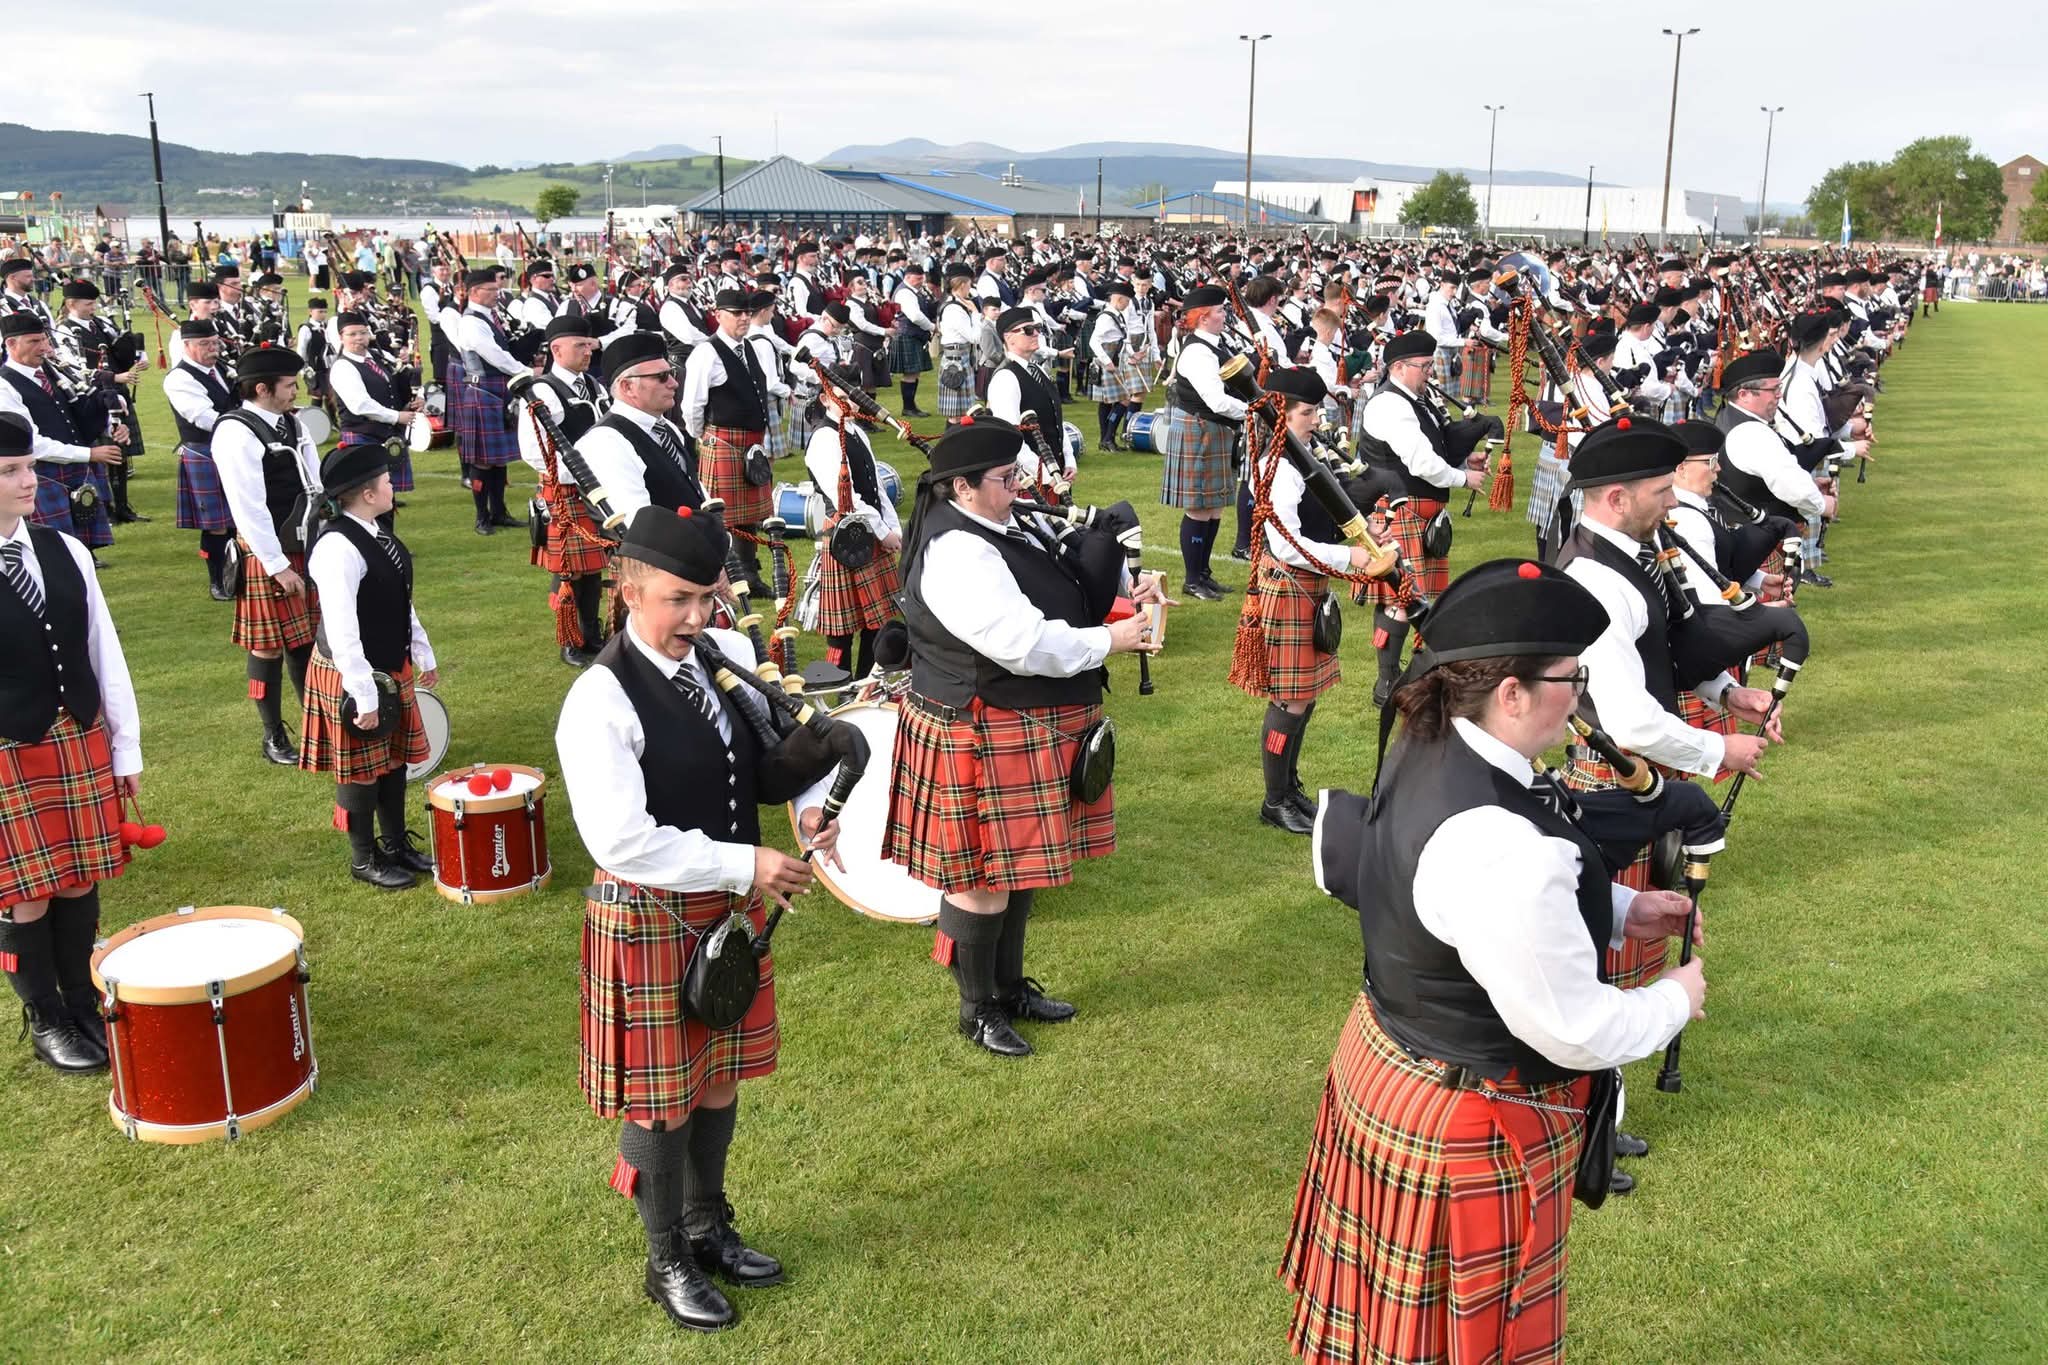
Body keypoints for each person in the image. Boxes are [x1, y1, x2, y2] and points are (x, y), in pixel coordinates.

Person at [1288, 556, 1705, 1365]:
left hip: (1388, 1065)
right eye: (1568, 676)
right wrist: (1673, 1000)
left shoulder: (1427, 735)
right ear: (1510, 693)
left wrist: (1624, 907)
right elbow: (1571, 1027)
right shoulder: (1505, 845)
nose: (1579, 693)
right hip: (1467, 1122)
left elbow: (1461, 907)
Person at [555, 503, 844, 1334]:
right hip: (651, 911)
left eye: (707, 597)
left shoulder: (720, 656)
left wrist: (807, 804)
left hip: (723, 909)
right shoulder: (598, 698)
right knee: (661, 1100)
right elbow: (620, 840)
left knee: (718, 1075)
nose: (696, 617)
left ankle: (707, 1224)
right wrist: (745, 862)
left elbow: (759, 757)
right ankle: (665, 1258)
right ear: (630, 589)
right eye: (678, 599)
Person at [883, 419, 1158, 1058]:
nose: (1018, 487)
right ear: (962, 487)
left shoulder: (1001, 524)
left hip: (1022, 720)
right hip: (982, 723)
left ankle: (1008, 989)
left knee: (1018, 867)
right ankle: (978, 1010)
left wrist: (1123, 597)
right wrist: (1108, 642)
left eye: (1016, 475)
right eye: (1005, 479)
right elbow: (1022, 643)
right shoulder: (957, 552)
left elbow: (1053, 592)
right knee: (982, 876)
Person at [0, 412, 144, 1073]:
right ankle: (45, 1015)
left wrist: (126, 746)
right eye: (11, 472)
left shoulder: (67, 549)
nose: (30, 480)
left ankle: (84, 1001)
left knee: (80, 875)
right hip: (9, 747)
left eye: (28, 467)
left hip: (78, 732)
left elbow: (103, 651)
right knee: (27, 888)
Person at [1231, 368, 1380, 834]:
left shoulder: (1294, 455)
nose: (1316, 420)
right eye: (1307, 412)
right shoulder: (1274, 466)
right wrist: (1351, 555)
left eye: (1316, 411)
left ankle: (1289, 788)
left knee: (1305, 696)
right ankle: (1274, 800)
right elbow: (1287, 545)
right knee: (1289, 699)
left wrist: (1358, 529)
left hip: (1307, 586)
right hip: (1289, 584)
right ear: (1281, 414)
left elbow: (1319, 515)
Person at [298, 443, 438, 889]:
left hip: (388, 664)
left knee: (394, 761)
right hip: (352, 670)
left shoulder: (377, 531)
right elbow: (342, 630)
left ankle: (395, 843)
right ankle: (363, 859)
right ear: (367, 493)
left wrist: (421, 651)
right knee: (361, 770)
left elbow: (398, 597)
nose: (393, 485)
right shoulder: (337, 548)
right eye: (387, 481)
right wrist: (363, 692)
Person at [1354, 329, 1487, 703]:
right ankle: (1386, 680)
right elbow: (1421, 461)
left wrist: (1462, 460)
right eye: (1424, 366)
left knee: (1415, 595)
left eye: (1430, 364)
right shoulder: (1390, 405)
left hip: (1421, 508)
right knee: (1401, 596)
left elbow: (1434, 446)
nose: (1430, 371)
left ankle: (1411, 672)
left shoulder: (1417, 397)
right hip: (1402, 507)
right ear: (1399, 367)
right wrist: (1463, 478)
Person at [212, 343, 324, 766]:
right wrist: (277, 566)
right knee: (268, 649)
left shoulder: (292, 424)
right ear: (263, 388)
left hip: (303, 544)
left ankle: (318, 726)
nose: (296, 391)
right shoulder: (236, 430)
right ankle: (273, 735)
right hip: (266, 552)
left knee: (305, 642)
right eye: (289, 385)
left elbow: (314, 485)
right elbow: (248, 507)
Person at [515, 315, 612, 666]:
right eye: (580, 345)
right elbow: (532, 449)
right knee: (569, 569)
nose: (588, 351)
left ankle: (591, 633)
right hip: (567, 489)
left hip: (596, 488)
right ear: (556, 349)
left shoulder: (595, 386)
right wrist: (575, 475)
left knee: (595, 566)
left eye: (588, 345)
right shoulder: (543, 390)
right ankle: (569, 640)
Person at [0, 314, 123, 557]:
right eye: (34, 341)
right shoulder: (5, 386)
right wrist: (89, 454)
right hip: (44, 474)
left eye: (45, 340)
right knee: (54, 550)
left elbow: (79, 410)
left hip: (75, 470)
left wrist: (111, 425)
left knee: (81, 549)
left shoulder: (51, 371)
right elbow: (31, 443)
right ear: (11, 344)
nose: (44, 348)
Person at [679, 290, 775, 591]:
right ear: (718, 314)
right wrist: (705, 437)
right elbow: (692, 406)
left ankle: (750, 575)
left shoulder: (751, 348)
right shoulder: (706, 353)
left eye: (747, 312)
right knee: (724, 517)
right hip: (723, 442)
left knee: (750, 517)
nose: (744, 318)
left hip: (753, 443)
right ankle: (727, 577)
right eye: (737, 313)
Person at [804, 382, 901, 679]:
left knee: (879, 621)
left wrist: (892, 526)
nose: (852, 405)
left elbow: (875, 487)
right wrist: (882, 531)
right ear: (825, 399)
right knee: (841, 631)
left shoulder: (856, 432)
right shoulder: (824, 438)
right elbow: (845, 498)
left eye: (855, 398)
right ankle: (836, 689)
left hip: (869, 532)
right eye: (843, 398)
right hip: (844, 537)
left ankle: (865, 685)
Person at [1157, 284, 1246, 602]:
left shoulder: (1215, 344)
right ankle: (1192, 579)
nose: (1225, 316)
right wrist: (1253, 410)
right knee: (1198, 507)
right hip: (1200, 428)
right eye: (1221, 311)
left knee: (1215, 507)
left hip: (1214, 430)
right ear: (1204, 317)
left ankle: (1204, 573)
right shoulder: (1196, 352)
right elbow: (1217, 401)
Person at [53, 281, 149, 525]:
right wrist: (115, 377)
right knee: (104, 457)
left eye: (94, 303)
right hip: (94, 399)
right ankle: (106, 508)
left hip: (119, 395)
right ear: (71, 304)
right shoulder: (63, 332)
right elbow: (72, 369)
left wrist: (139, 356)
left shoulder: (102, 324)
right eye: (88, 304)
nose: (93, 308)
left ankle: (124, 507)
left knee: (121, 453)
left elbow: (125, 344)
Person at [454, 268, 533, 535]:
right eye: (491, 291)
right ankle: (481, 516)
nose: (496, 294)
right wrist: (525, 372)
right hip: (483, 391)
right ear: (474, 292)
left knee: (499, 460)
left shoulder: (490, 316)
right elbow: (494, 354)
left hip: (498, 390)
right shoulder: (470, 322)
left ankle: (499, 512)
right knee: (483, 461)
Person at [328, 312, 424, 514]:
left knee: (387, 498)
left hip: (388, 436)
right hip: (363, 435)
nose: (359, 338)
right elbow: (360, 405)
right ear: (341, 337)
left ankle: (389, 544)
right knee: (368, 501)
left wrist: (413, 400)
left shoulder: (380, 357)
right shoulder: (342, 367)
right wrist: (397, 416)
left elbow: (397, 384)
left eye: (362, 333)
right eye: (352, 334)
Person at [888, 261, 934, 416]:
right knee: (910, 372)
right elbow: (915, 316)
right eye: (917, 279)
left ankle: (911, 406)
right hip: (908, 334)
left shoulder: (912, 290)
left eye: (922, 279)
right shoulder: (905, 292)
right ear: (907, 277)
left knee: (914, 373)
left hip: (912, 335)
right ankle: (908, 408)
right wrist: (932, 327)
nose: (921, 282)